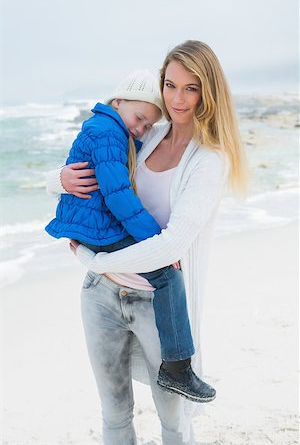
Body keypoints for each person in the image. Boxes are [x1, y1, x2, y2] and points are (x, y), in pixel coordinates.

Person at [47, 40, 247, 445]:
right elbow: (96, 177)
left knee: (175, 422)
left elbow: (172, 245)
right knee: (114, 415)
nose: (177, 98)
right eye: (170, 85)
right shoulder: (147, 134)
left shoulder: (209, 159)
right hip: (101, 296)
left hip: (157, 303)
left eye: (190, 88)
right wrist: (57, 179)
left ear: (208, 92)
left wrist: (94, 260)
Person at [45, 68, 216, 403]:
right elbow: (119, 196)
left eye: (146, 125)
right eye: (138, 118)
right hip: (97, 229)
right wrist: (154, 240)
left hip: (91, 227)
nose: (139, 129)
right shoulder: (109, 133)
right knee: (167, 275)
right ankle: (178, 368)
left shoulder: (110, 128)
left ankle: (177, 368)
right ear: (118, 101)